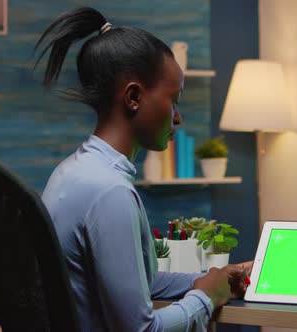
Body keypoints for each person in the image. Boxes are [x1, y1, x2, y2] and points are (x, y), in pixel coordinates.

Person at [36, 7, 251, 331]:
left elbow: (138, 283)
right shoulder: (110, 193)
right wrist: (205, 299)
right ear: (134, 96)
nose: (177, 117)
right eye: (173, 99)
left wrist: (211, 279)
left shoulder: (73, 172)